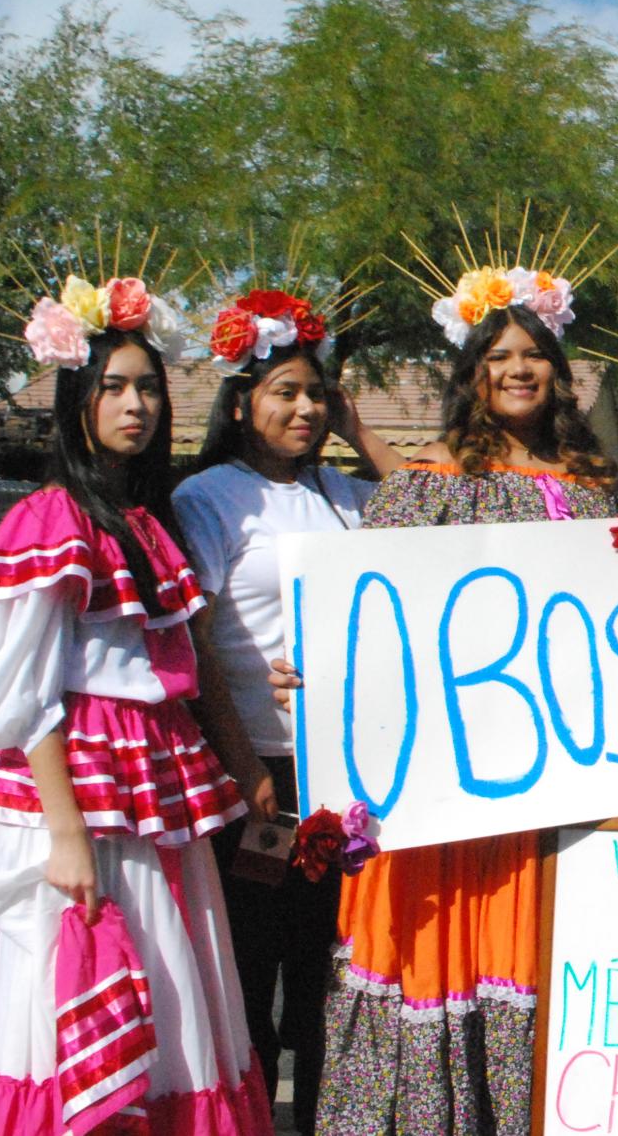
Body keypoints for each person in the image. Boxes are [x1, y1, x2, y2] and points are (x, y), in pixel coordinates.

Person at [0, 272, 271, 1133]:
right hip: (88, 790)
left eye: (149, 389)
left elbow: (174, 662)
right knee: (98, 975)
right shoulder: (53, 520)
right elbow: (24, 692)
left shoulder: (143, 520)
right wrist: (64, 834)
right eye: (114, 388)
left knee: (175, 983)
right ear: (76, 403)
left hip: (152, 779)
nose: (137, 406)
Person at [314, 281, 618, 1133]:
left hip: (554, 778)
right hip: (446, 782)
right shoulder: (425, 484)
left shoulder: (597, 488)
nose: (518, 370)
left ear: (560, 375)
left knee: (530, 942)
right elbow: (364, 617)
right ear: (472, 375)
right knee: (441, 940)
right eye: (498, 358)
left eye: (533, 356)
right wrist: (314, 678)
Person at [171, 285, 401, 1135]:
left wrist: (355, 428)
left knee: (326, 972)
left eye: (316, 394)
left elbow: (431, 507)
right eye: (286, 393)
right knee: (250, 967)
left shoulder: (346, 495)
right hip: (258, 771)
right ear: (240, 403)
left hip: (344, 772)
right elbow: (194, 640)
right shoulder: (209, 497)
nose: (304, 409)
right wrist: (238, 764)